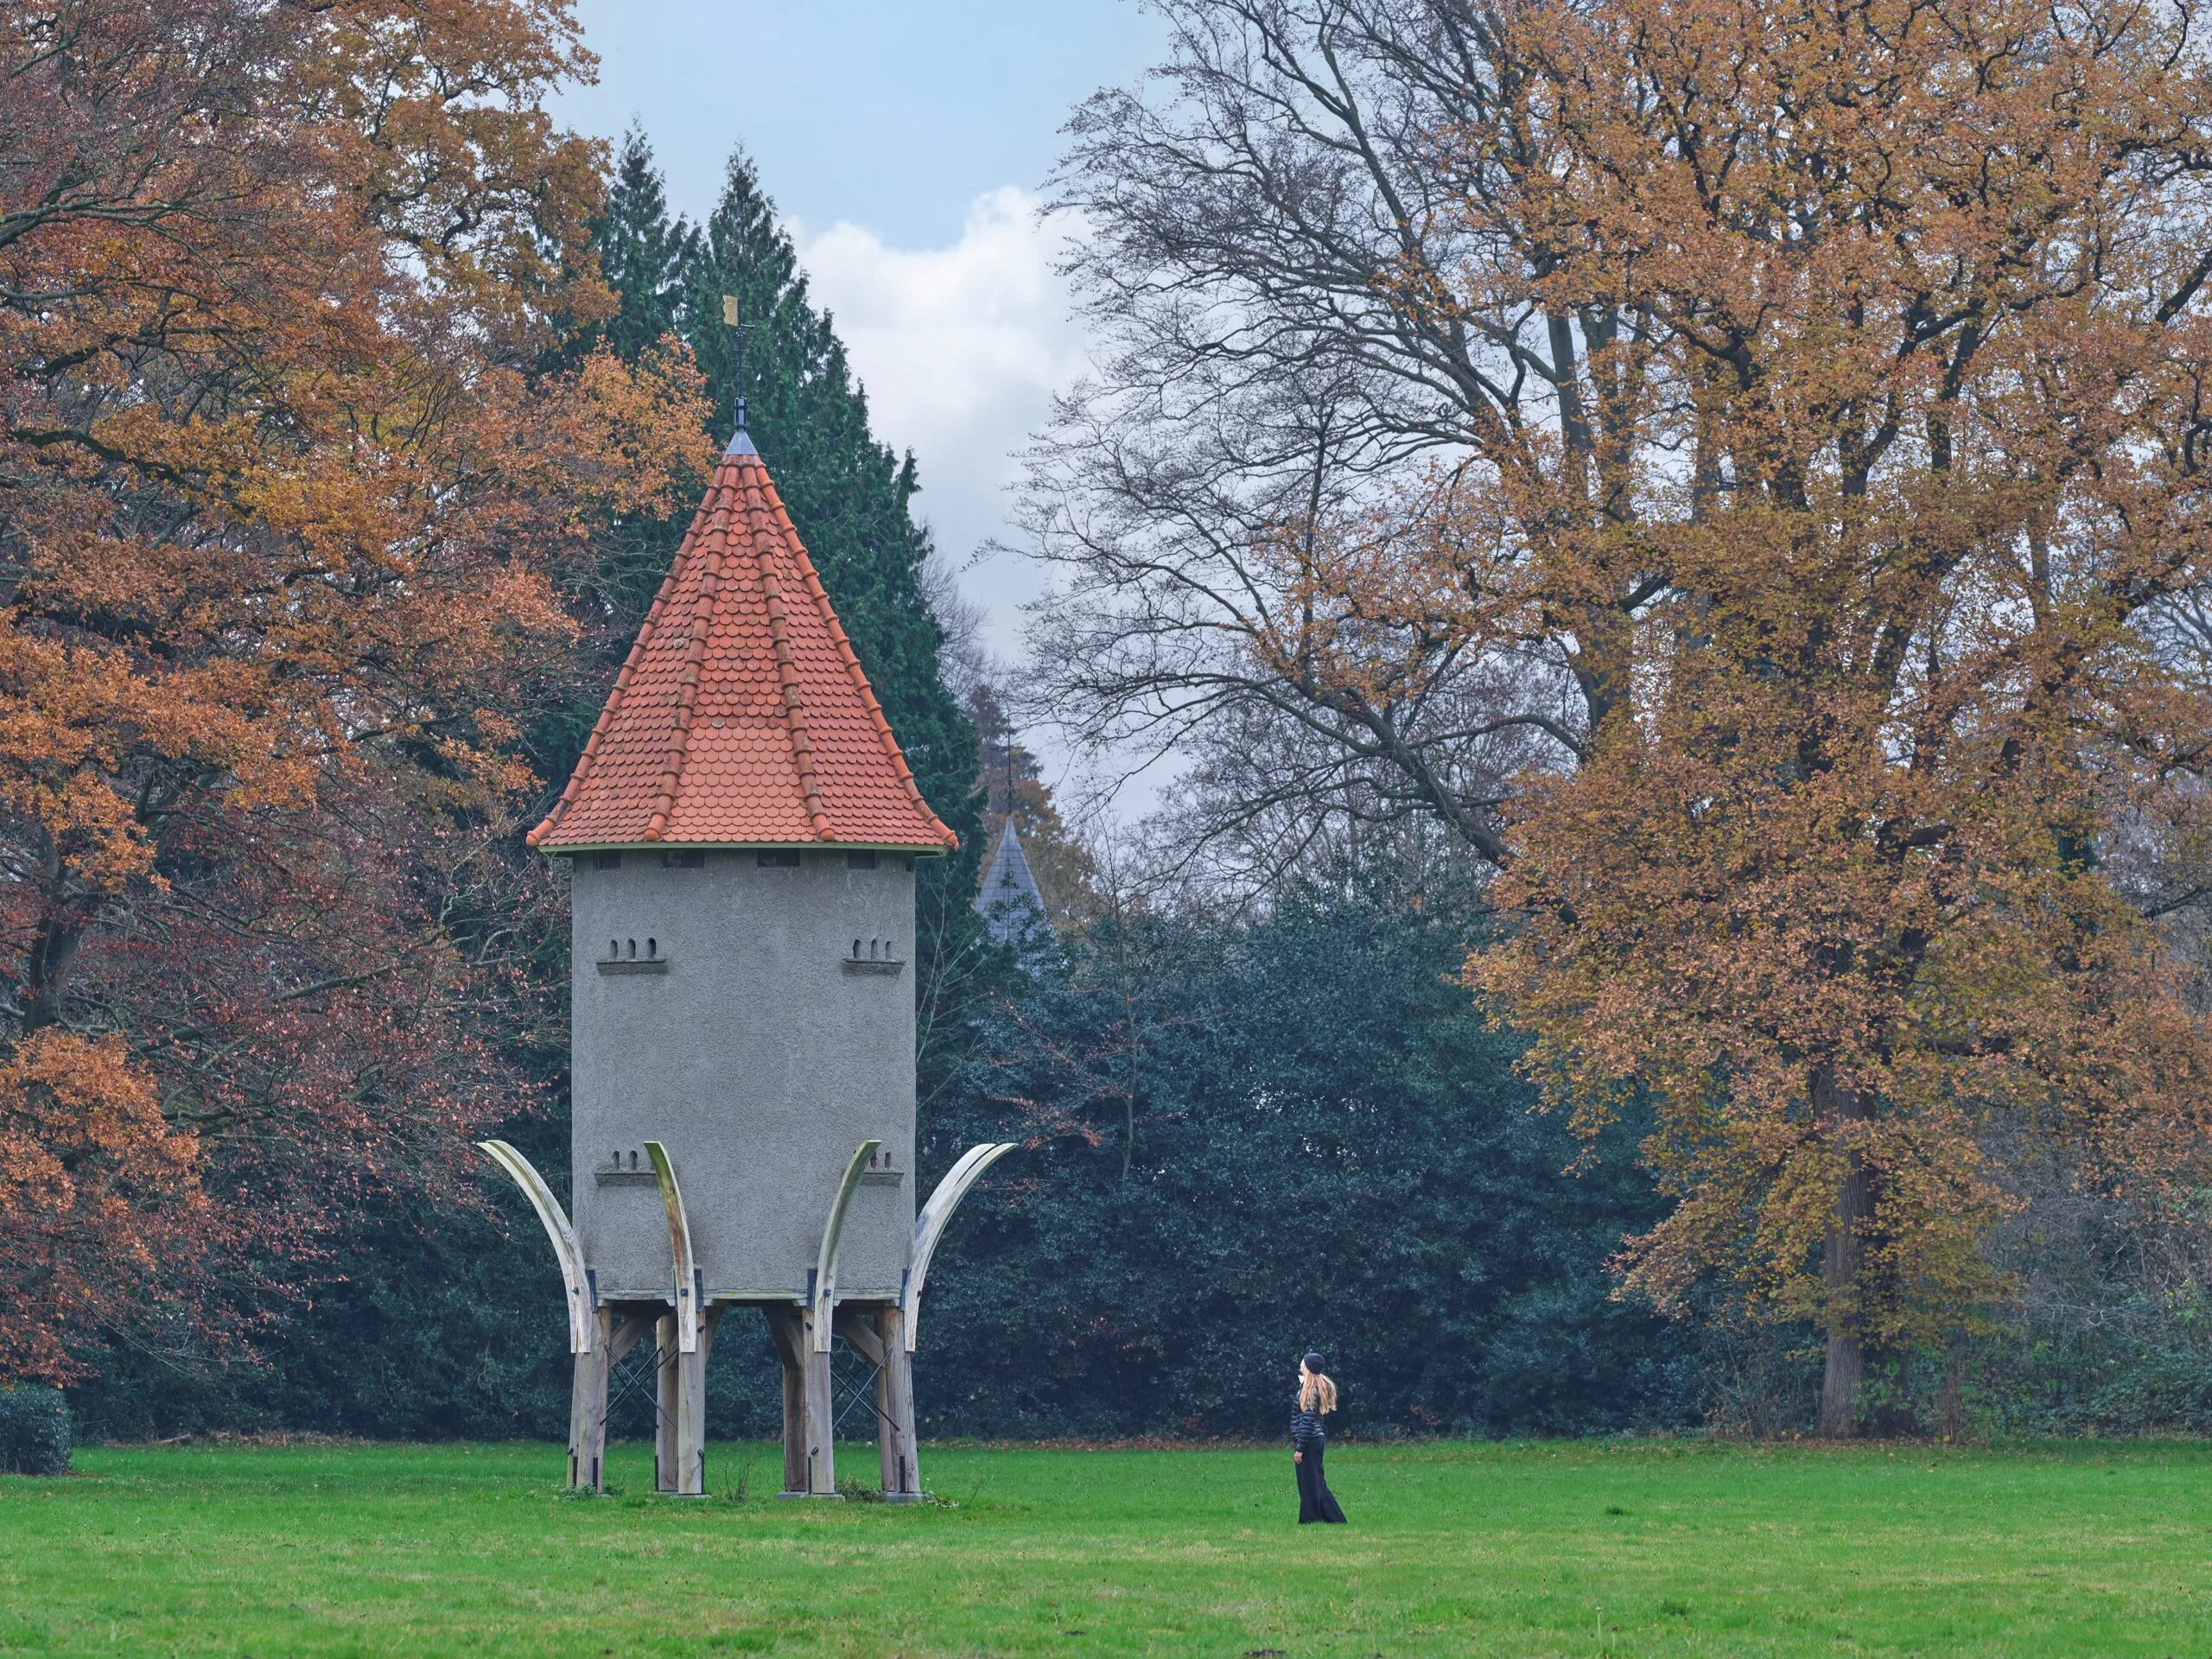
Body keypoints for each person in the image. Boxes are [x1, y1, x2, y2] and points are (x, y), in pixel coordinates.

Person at [1290, 1352, 1346, 1524]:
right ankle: (1321, 1518)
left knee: (1311, 1482)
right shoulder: (1309, 1387)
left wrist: (1300, 1448)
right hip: (1313, 1439)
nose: (1300, 1363)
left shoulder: (1311, 1391)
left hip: (1309, 1441)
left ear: (1307, 1367)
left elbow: (1307, 1421)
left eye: (1303, 1362)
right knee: (1314, 1481)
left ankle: (1316, 1519)